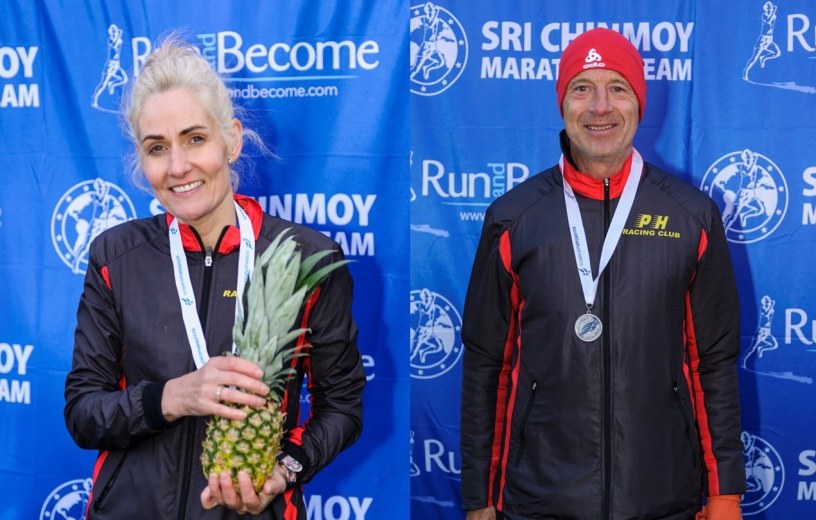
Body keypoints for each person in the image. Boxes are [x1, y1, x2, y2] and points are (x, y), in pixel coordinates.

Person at [64, 38, 366, 519]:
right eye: (157, 148)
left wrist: (287, 469)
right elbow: (83, 413)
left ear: (233, 140)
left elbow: (342, 407)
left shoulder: (304, 259)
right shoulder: (115, 256)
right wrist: (171, 398)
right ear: (141, 160)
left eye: (195, 139)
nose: (178, 166)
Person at [460, 28, 745, 520]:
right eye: (582, 88)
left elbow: (713, 364)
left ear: (639, 102)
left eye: (617, 87)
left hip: (662, 499)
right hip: (539, 503)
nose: (599, 107)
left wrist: (724, 494)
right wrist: (480, 499)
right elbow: (489, 367)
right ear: (562, 103)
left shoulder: (691, 216)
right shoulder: (514, 217)